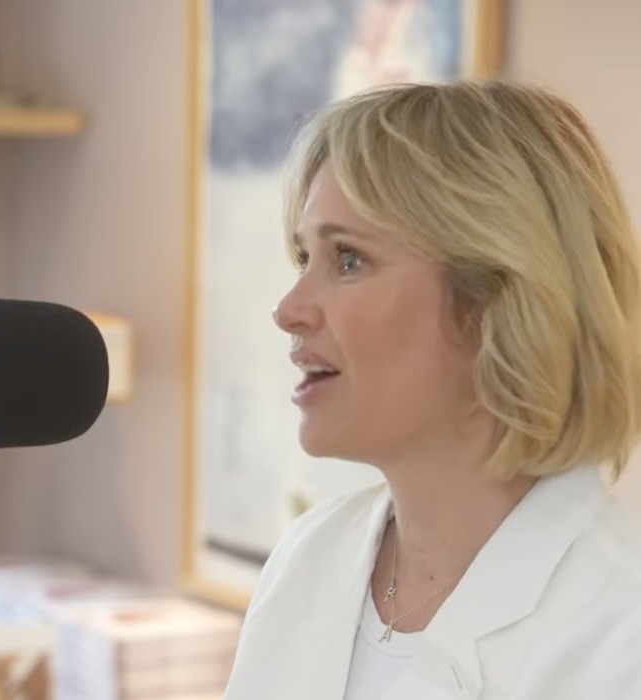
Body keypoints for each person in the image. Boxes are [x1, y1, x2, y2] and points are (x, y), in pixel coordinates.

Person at [222, 81, 641, 699]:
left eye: (348, 259)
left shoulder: (621, 630)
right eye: (304, 258)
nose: (289, 310)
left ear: (494, 300)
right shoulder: (308, 556)